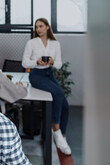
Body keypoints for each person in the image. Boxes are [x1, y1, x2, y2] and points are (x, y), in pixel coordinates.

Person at [22, 18, 71, 155]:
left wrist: (52, 61)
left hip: (50, 74)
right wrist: (36, 62)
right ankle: (55, 129)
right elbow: (24, 63)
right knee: (56, 93)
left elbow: (59, 64)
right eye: (36, 27)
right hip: (36, 75)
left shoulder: (55, 44)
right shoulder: (31, 43)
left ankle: (62, 136)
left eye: (41, 26)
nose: (38, 29)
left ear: (48, 27)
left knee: (65, 105)